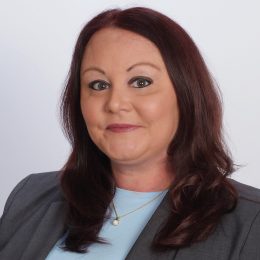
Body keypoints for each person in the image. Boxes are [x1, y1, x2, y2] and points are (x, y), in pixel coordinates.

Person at [0, 6, 259, 260]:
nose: (115, 103)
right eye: (98, 84)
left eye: (141, 82)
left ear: (186, 94)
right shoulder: (29, 196)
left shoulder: (250, 223)